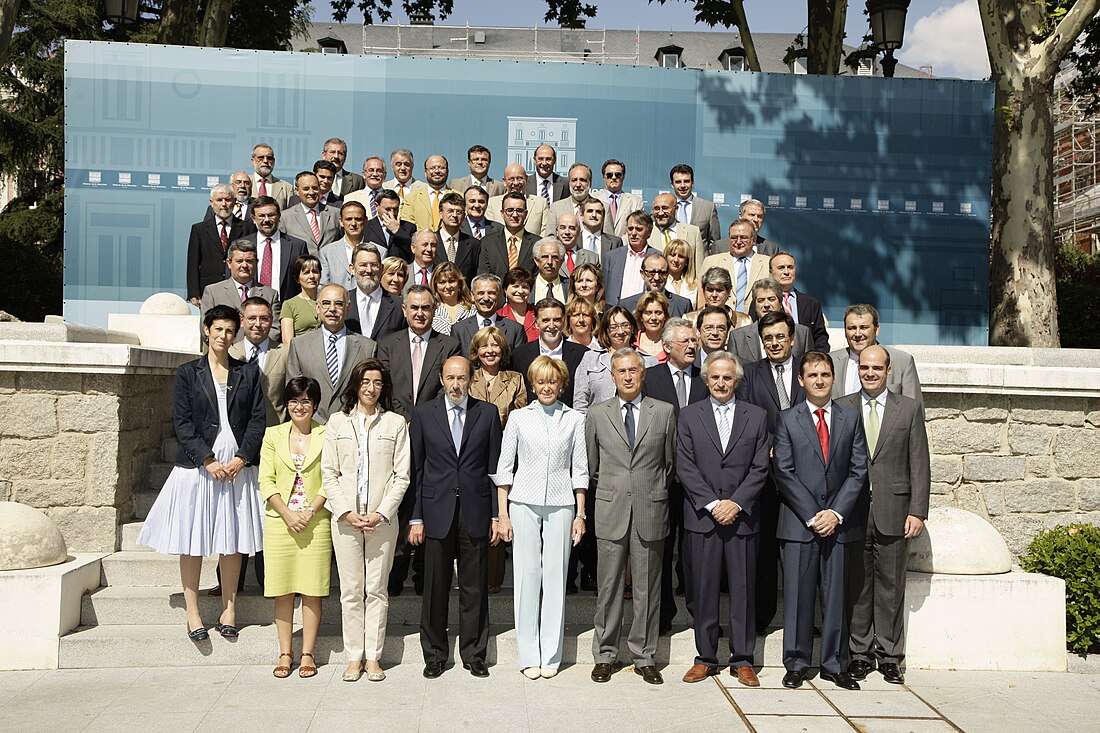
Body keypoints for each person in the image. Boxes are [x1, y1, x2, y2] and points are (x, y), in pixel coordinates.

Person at [137, 305, 265, 643]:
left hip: (237, 468)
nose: (223, 336)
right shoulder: (186, 373)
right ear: (206, 330)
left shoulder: (248, 373)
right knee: (193, 540)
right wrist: (207, 460)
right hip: (199, 468)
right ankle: (193, 612)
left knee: (232, 539)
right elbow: (182, 423)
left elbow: (256, 420)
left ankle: (230, 608)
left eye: (229, 330)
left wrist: (242, 457)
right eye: (218, 329)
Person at [774, 351, 868, 690]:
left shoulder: (850, 418)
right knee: (798, 596)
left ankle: (833, 663)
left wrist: (835, 513)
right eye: (812, 375)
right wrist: (814, 514)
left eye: (825, 374)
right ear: (801, 380)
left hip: (839, 524)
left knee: (836, 596)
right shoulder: (787, 419)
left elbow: (859, 471)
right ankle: (797, 663)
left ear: (833, 378)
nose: (819, 380)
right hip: (801, 524)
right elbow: (783, 471)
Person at [837, 345, 929, 686]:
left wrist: (918, 510)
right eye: (864, 368)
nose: (870, 373)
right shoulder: (843, 408)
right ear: (858, 370)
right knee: (858, 586)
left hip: (896, 510)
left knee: (892, 586)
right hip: (854, 512)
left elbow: (919, 461)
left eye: (876, 368)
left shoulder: (908, 409)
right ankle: (859, 654)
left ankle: (890, 656)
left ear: (889, 371)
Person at [677, 351, 771, 686]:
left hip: (742, 518)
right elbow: (685, 465)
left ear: (737, 380)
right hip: (703, 518)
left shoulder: (757, 417)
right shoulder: (689, 416)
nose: (721, 383)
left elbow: (761, 466)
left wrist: (736, 503)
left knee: (743, 589)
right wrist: (713, 503)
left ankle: (743, 659)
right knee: (703, 590)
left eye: (727, 377)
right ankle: (705, 658)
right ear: (706, 379)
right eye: (715, 377)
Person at [494, 356, 588, 679]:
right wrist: (502, 513)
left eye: (553, 381)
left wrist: (581, 513)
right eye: (541, 381)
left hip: (562, 503)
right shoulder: (519, 418)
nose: (547, 387)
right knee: (527, 575)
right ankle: (528, 654)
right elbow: (505, 469)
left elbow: (580, 470)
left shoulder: (574, 419)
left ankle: (551, 654)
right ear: (532, 385)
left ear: (561, 384)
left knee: (555, 577)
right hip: (522, 503)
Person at [410, 356, 503, 679]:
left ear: (470, 379)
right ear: (440, 378)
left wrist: (495, 514)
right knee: (435, 587)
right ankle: (435, 655)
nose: (456, 384)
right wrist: (416, 517)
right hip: (436, 512)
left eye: (462, 378)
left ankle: (475, 654)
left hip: (476, 511)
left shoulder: (487, 414)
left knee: (474, 587)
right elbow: (418, 469)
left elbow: (494, 471)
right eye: (450, 378)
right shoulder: (423, 414)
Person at [586, 348, 676, 686]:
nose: (627, 376)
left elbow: (669, 463)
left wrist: (647, 488)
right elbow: (592, 467)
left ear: (643, 374)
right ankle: (605, 654)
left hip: (651, 508)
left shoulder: (664, 412)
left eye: (633, 370)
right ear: (612, 376)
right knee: (608, 587)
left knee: (648, 589)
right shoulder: (596, 414)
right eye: (621, 371)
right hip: (610, 509)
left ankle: (644, 656)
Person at [321, 358, 410, 683]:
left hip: (381, 521)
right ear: (355, 385)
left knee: (376, 589)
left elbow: (402, 476)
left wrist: (381, 512)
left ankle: (374, 656)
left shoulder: (395, 424)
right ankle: (353, 656)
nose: (371, 388)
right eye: (365, 382)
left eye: (377, 382)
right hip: (345, 520)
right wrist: (344, 510)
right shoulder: (337, 423)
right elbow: (328, 473)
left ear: (383, 387)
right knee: (351, 590)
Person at [735, 311, 807, 634]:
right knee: (762, 553)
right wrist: (767, 447)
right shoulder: (750, 374)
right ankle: (762, 617)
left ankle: (802, 618)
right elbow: (746, 419)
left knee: (800, 551)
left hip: (802, 476)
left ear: (792, 338)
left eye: (780, 337)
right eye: (768, 338)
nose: (775, 343)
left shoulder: (808, 372)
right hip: (763, 476)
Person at [259, 376, 331, 679]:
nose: (299, 406)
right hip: (280, 523)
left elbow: (332, 477)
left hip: (316, 522)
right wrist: (288, 514)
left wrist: (309, 511)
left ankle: (307, 653)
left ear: (314, 405)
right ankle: (285, 652)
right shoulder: (272, 435)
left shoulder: (327, 434)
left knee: (312, 590)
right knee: (283, 590)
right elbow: (266, 480)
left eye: (305, 401)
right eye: (293, 400)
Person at [641, 318, 709, 631]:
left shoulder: (707, 378)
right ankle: (662, 615)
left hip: (699, 482)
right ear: (667, 347)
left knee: (696, 553)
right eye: (685, 341)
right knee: (661, 549)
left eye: (694, 341)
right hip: (661, 480)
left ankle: (700, 615)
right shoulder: (649, 378)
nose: (693, 346)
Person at [469, 325, 529, 593]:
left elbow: (522, 417)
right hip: (472, 455)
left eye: (495, 346)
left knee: (501, 513)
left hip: (507, 455)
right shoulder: (466, 378)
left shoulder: (515, 379)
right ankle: (475, 575)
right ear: (476, 351)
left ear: (503, 350)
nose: (490, 351)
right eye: (484, 346)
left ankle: (495, 578)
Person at [285, 283, 377, 423]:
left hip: (352, 427)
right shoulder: (299, 345)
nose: (332, 309)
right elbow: (294, 393)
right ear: (317, 307)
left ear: (348, 308)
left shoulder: (367, 347)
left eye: (339, 304)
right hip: (311, 427)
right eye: (326, 303)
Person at [830, 304, 923, 403]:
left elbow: (914, 410)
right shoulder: (831, 361)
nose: (857, 334)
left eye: (864, 327)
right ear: (845, 331)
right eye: (852, 328)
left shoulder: (902, 362)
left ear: (876, 329)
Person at [574, 306, 657, 414]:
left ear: (632, 328)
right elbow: (580, 402)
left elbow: (655, 402)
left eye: (625, 325)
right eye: (614, 327)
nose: (620, 331)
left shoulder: (649, 362)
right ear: (606, 331)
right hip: (599, 427)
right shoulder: (590, 359)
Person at [511, 298, 588, 407]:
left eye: (556, 320)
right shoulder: (520, 355)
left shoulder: (582, 354)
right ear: (536, 322)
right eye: (546, 320)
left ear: (564, 321)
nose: (551, 326)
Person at [187, 183, 254, 306]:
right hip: (208, 288)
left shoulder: (246, 227)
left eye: (228, 200)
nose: (224, 204)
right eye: (219, 200)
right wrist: (193, 292)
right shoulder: (199, 229)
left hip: (238, 287)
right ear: (211, 202)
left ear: (234, 202)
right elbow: (193, 263)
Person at [231, 297, 288, 426]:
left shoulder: (286, 353)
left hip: (274, 430)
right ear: (241, 320)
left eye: (263, 319)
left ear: (271, 321)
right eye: (252, 318)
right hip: (238, 431)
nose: (257, 324)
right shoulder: (230, 353)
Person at [450, 273, 527, 361]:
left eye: (491, 293)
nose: (486, 298)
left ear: (499, 296)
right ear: (472, 296)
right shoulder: (459, 330)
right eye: (481, 293)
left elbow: (519, 363)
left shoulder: (515, 330)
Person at [699, 219, 771, 313]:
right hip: (720, 321)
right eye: (734, 237)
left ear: (753, 240)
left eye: (743, 237)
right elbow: (701, 296)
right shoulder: (711, 261)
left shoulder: (768, 263)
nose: (738, 241)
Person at [769, 251, 830, 351]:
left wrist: (817, 358)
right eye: (781, 268)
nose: (786, 272)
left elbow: (820, 337)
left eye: (790, 267)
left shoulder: (811, 303)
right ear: (771, 272)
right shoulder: (763, 302)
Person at [669, 163, 721, 254]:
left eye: (686, 181)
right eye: (678, 182)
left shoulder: (708, 207)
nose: (682, 185)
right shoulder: (662, 207)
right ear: (672, 184)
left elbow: (714, 243)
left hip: (698, 264)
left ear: (692, 182)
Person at [593, 159, 643, 238]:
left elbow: (637, 227)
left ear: (623, 177)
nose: (613, 177)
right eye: (609, 175)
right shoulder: (592, 198)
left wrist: (620, 244)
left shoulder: (636, 201)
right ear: (604, 177)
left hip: (624, 246)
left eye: (618, 175)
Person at [279, 254, 322, 344]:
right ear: (297, 278)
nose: (311, 276)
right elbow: (288, 342)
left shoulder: (328, 301)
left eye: (315, 271)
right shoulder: (289, 305)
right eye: (306, 272)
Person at [430, 261, 476, 335]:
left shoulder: (472, 309)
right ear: (435, 286)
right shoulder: (431, 311)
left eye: (451, 281)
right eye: (442, 282)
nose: (448, 286)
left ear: (459, 283)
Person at [497, 267, 538, 342]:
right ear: (505, 289)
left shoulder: (538, 314)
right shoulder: (498, 317)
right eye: (515, 286)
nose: (520, 291)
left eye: (525, 287)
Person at [634, 291, 671, 364]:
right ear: (641, 317)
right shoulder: (632, 342)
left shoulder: (672, 342)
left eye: (658, 312)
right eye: (648, 313)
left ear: (665, 316)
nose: (653, 317)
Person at [665, 238, 698, 306]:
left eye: (681, 256)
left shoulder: (696, 283)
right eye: (672, 255)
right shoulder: (659, 281)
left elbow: (701, 311)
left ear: (687, 261)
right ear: (666, 257)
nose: (676, 260)